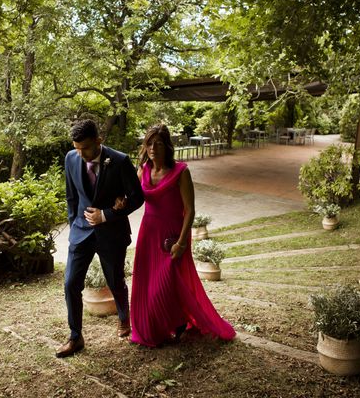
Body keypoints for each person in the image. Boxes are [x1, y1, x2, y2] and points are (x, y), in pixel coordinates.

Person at [129, 124, 235, 347]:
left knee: (165, 284)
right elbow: (133, 197)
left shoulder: (181, 172)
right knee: (147, 284)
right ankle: (155, 327)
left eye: (158, 143)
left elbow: (190, 210)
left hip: (172, 237)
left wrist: (182, 243)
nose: (153, 148)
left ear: (167, 146)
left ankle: (177, 322)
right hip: (148, 234)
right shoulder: (143, 170)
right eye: (149, 143)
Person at [56, 119, 144, 358]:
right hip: (80, 234)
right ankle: (76, 337)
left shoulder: (120, 161)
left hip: (111, 233)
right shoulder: (71, 158)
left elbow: (137, 197)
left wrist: (107, 214)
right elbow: (71, 197)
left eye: (84, 147)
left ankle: (124, 320)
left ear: (99, 140)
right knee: (70, 284)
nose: (80, 153)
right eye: (76, 147)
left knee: (115, 281)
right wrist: (74, 224)